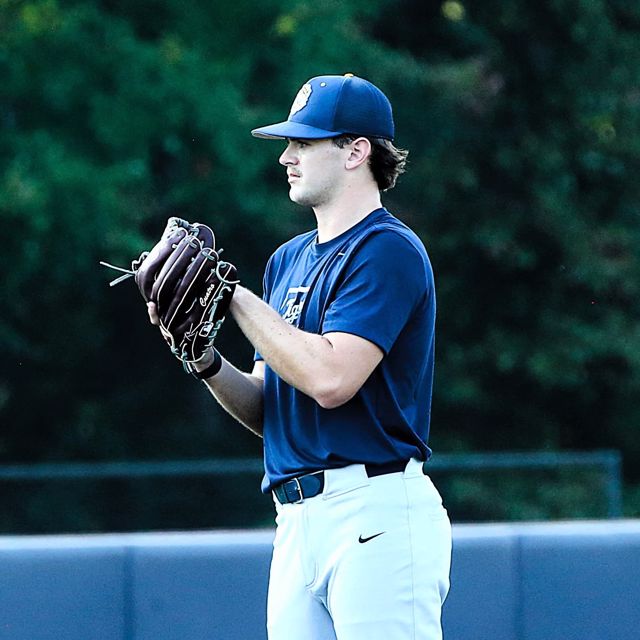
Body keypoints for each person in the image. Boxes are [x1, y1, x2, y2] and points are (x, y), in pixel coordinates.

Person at [149, 73, 452, 640]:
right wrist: (205, 360)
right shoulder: (287, 260)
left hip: (373, 513)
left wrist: (231, 295)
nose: (286, 157)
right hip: (294, 519)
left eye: (304, 143)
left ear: (355, 152)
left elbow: (332, 379)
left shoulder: (387, 249)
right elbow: (268, 407)